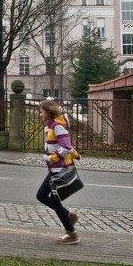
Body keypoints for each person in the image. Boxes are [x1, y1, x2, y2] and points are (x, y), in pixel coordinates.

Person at [36, 99, 81, 245]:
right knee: (41, 195)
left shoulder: (57, 127)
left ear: (48, 113)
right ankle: (69, 216)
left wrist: (51, 158)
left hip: (59, 169)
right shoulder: (51, 127)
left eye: (41, 111)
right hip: (55, 169)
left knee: (54, 202)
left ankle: (71, 234)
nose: (40, 114)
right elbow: (65, 145)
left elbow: (66, 147)